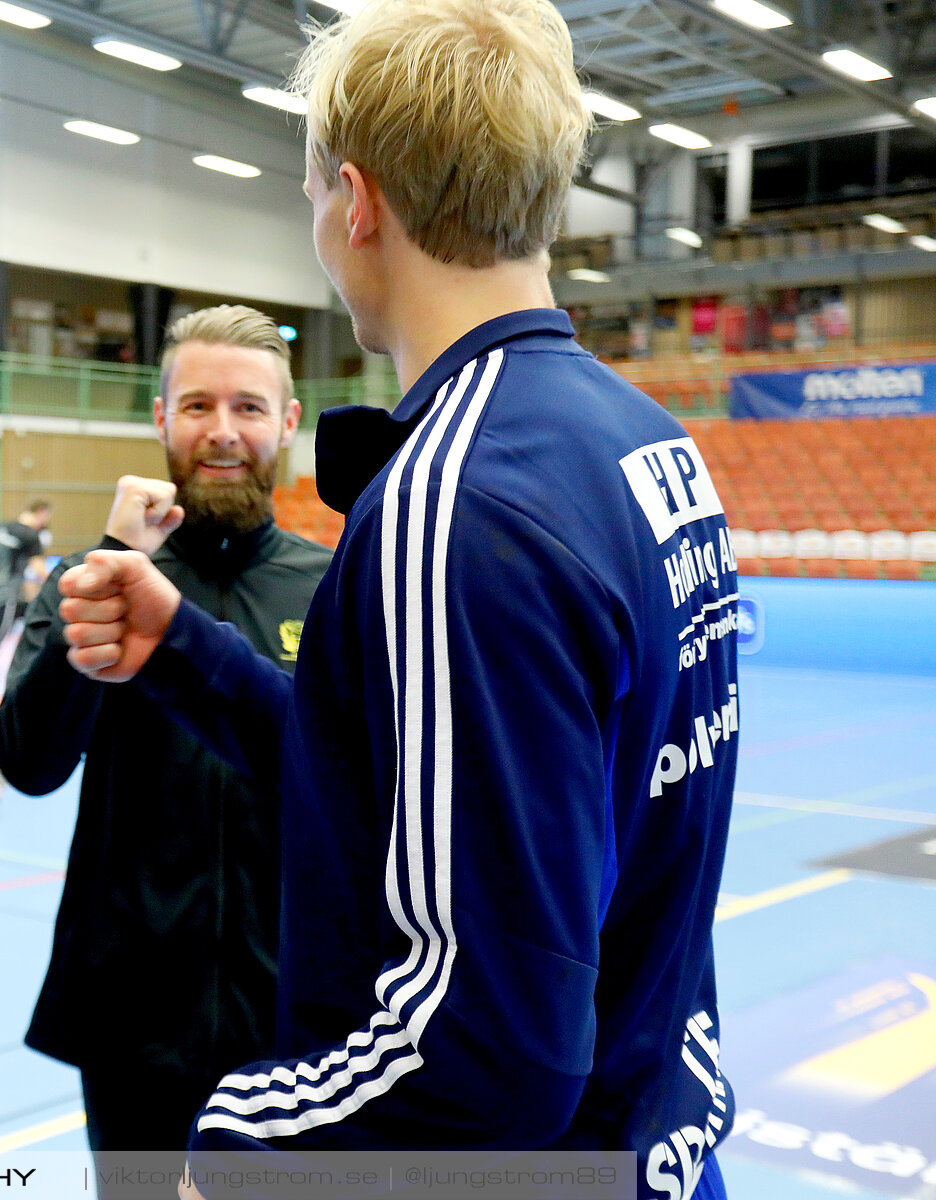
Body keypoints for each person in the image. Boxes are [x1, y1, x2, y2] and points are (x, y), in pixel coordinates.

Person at [57, 4, 736, 1197]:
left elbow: (485, 1049)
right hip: (651, 1143)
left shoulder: (458, 500)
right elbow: (425, 791)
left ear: (357, 204)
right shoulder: (647, 446)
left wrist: (251, 1140)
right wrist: (188, 655)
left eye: (313, 191)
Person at [0, 306, 331, 1169]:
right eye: (198, 406)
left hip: (298, 1027)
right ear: (161, 418)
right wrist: (107, 567)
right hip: (132, 1024)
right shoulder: (89, 577)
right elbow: (28, 764)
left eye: (250, 409)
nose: (223, 433)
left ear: (288, 423)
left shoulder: (336, 587)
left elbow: (363, 789)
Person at [0, 499, 50, 699]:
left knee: (17, 635)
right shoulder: (32, 535)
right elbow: (38, 568)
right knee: (3, 637)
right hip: (13, 596)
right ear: (40, 513)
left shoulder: (4, 527)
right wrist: (54, 584)